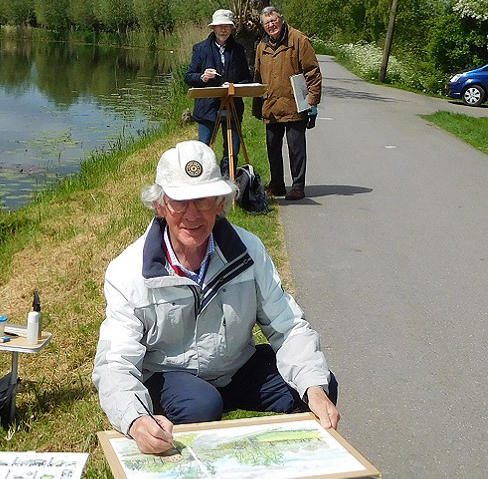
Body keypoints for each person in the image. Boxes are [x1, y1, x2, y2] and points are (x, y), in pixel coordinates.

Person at [92, 140, 340, 454]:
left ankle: (298, 466)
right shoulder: (127, 272)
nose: (192, 214)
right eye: (179, 202)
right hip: (172, 376)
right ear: (160, 205)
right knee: (201, 403)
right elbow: (114, 364)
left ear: (220, 203)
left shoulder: (249, 251)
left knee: (318, 384)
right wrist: (136, 420)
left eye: (203, 200)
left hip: (236, 367)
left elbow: (287, 326)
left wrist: (314, 389)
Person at [252, 5, 321, 201]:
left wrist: (313, 102)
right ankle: (277, 185)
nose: (271, 25)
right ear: (263, 26)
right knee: (273, 148)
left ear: (281, 20)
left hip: (295, 104)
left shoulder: (299, 40)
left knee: (295, 148)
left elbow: (312, 72)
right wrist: (258, 107)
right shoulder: (261, 46)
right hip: (271, 106)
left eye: (274, 20)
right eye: (267, 23)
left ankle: (298, 186)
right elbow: (258, 76)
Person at [184, 9, 253, 175]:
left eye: (227, 26)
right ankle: (204, 183)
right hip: (207, 108)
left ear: (231, 28)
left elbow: (247, 79)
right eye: (220, 26)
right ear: (213, 28)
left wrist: (234, 85)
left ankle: (228, 181)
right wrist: (203, 77)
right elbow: (189, 77)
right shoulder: (200, 49)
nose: (223, 29)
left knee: (232, 150)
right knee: (204, 149)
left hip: (232, 107)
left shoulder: (238, 50)